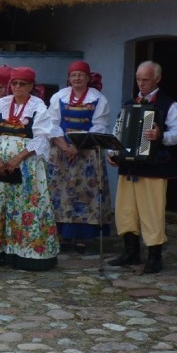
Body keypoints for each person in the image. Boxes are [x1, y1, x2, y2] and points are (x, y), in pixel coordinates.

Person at [108, 61, 177, 274]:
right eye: (138, 79)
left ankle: (154, 257)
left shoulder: (170, 105)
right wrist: (112, 153)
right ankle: (131, 252)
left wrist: (160, 136)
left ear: (157, 79)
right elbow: (118, 132)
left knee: (152, 212)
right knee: (126, 211)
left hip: (154, 167)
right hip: (129, 167)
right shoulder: (129, 104)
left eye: (145, 80)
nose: (141, 84)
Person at [0, 67, 59, 270]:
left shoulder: (38, 107)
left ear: (31, 86)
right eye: (14, 83)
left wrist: (18, 158)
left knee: (27, 205)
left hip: (27, 166)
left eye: (22, 84)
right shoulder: (0, 104)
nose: (17, 87)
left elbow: (42, 137)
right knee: (0, 203)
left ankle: (28, 253)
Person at [47, 61, 112, 253]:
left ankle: (83, 236)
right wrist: (64, 146)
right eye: (73, 75)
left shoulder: (98, 98)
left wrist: (77, 146)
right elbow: (52, 123)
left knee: (85, 193)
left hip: (87, 152)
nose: (76, 78)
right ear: (69, 77)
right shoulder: (59, 97)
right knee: (60, 192)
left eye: (81, 75)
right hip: (62, 151)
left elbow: (99, 125)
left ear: (88, 78)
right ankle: (62, 233)